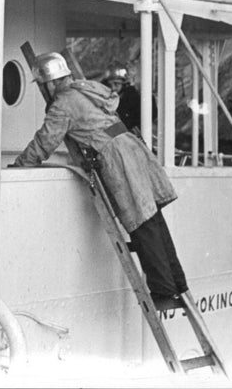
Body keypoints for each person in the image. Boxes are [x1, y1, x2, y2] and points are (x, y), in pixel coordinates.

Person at [12, 52, 188, 309]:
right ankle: (177, 285)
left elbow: (45, 141)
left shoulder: (63, 104)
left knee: (142, 223)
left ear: (50, 83)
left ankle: (163, 293)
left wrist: (20, 165)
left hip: (117, 157)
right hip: (131, 147)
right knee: (153, 220)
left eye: (43, 84)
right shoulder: (87, 90)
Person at [102, 65, 144, 134]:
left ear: (124, 83)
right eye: (109, 85)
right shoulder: (105, 98)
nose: (113, 88)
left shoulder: (133, 98)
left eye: (116, 84)